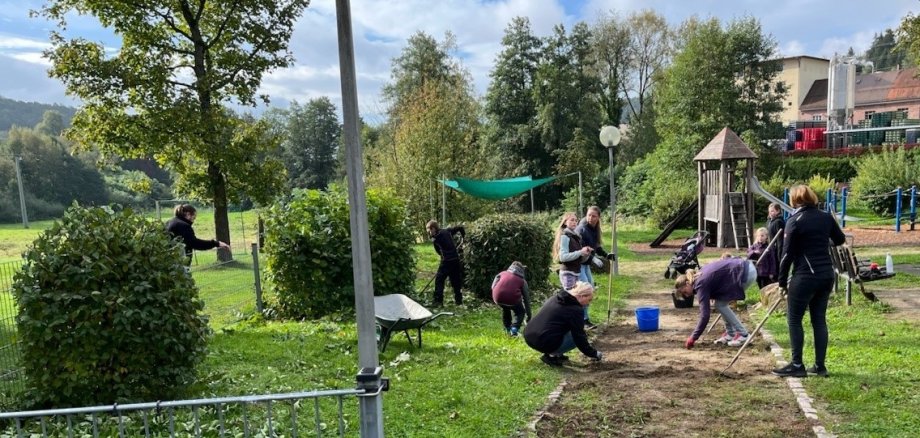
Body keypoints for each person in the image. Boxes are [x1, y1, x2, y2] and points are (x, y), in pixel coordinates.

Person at [773, 185, 846, 378]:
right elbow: (839, 239)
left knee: (794, 319)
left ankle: (797, 365)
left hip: (805, 276)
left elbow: (786, 255)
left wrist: (781, 282)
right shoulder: (825, 217)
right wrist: (820, 242)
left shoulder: (794, 221)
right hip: (826, 275)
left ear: (795, 200)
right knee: (819, 320)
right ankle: (820, 366)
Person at [676, 257, 755, 348]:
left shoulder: (700, 284)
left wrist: (693, 337)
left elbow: (705, 315)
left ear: (687, 283)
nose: (686, 295)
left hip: (744, 272)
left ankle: (744, 335)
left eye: (684, 292)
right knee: (720, 304)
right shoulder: (699, 276)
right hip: (746, 267)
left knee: (720, 304)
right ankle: (731, 334)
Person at [523, 281, 604, 366]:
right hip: (543, 342)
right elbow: (579, 337)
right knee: (576, 336)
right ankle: (551, 356)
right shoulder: (576, 310)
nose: (588, 303)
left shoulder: (555, 298)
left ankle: (557, 354)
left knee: (563, 327)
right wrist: (594, 354)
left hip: (529, 336)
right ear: (581, 296)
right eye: (589, 300)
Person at [551, 212, 595, 328]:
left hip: (575, 272)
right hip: (567, 273)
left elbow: (578, 259)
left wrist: (586, 254)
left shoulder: (575, 236)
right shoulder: (565, 236)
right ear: (565, 222)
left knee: (577, 299)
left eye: (576, 220)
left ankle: (578, 323)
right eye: (571, 220)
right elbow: (563, 257)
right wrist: (580, 252)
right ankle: (570, 325)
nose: (574, 222)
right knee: (573, 301)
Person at [165, 204, 229, 266]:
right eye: (193, 218)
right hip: (178, 263)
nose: (193, 221)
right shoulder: (183, 226)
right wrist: (216, 243)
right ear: (188, 214)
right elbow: (195, 243)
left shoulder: (169, 222)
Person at [426, 220, 466, 306]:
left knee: (439, 280)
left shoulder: (436, 239)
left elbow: (438, 252)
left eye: (429, 230)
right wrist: (463, 238)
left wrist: (444, 256)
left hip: (446, 262)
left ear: (433, 228)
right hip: (455, 259)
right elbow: (460, 227)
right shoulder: (447, 231)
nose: (429, 233)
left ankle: (438, 301)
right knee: (456, 281)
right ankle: (459, 301)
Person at [491, 261, 532, 336]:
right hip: (512, 299)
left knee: (506, 308)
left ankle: (507, 328)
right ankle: (514, 329)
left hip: (497, 298)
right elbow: (526, 299)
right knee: (520, 312)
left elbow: (493, 286)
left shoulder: (501, 273)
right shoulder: (522, 281)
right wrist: (529, 315)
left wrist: (498, 293)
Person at [766, 203, 785, 271]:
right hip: (770, 247)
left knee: (776, 268)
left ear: (778, 211)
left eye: (772, 211)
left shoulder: (778, 222)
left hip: (776, 249)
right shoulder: (769, 221)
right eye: (769, 211)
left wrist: (779, 254)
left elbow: (780, 239)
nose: (770, 213)